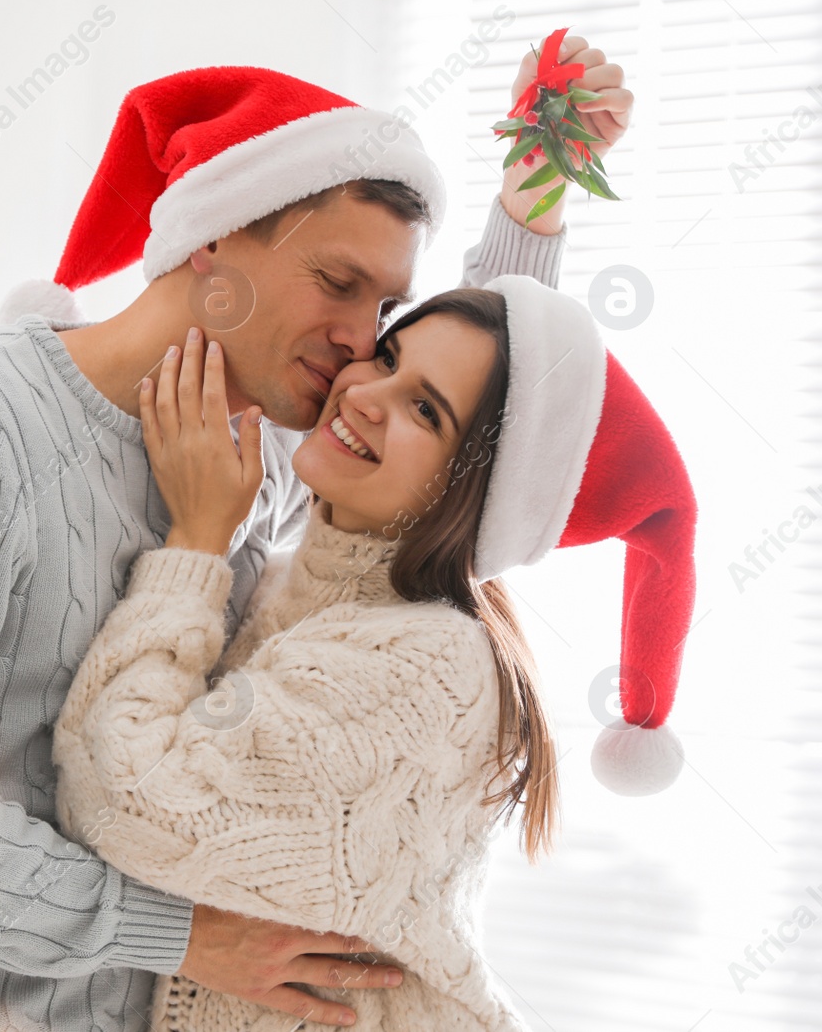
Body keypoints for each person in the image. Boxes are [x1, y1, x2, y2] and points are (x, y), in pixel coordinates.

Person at [0, 40, 636, 1032]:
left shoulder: (253, 464)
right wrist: (174, 930)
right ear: (213, 244)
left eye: (385, 307)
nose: (362, 342)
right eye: (337, 281)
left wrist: (532, 201)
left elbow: (462, 456)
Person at [54, 275, 697, 1031]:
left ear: (479, 491)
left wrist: (196, 539)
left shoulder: (431, 668)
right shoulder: (303, 588)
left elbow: (121, 796)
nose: (364, 393)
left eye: (424, 408)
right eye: (386, 357)